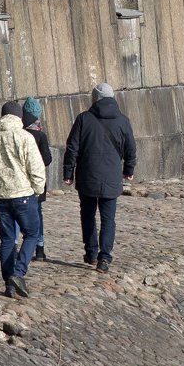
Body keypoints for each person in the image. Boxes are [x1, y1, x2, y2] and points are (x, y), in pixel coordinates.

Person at [63, 83, 137, 273]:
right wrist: (129, 169)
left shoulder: (83, 119)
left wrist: (68, 172)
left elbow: (72, 147)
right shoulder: (123, 120)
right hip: (111, 176)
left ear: (95, 99)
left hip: (87, 175)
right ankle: (104, 258)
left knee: (87, 215)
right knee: (108, 218)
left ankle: (91, 253)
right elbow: (130, 148)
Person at [0, 101, 46, 298]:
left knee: (7, 240)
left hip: (2, 197)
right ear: (19, 117)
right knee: (32, 234)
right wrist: (37, 189)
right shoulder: (25, 137)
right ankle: (18, 273)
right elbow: (36, 168)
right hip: (24, 195)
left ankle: (9, 284)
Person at [21, 96, 53, 261]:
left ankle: (15, 244)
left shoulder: (19, 133)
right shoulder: (40, 135)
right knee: (37, 213)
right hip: (37, 181)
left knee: (18, 215)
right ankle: (39, 247)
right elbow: (47, 159)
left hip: (20, 181)